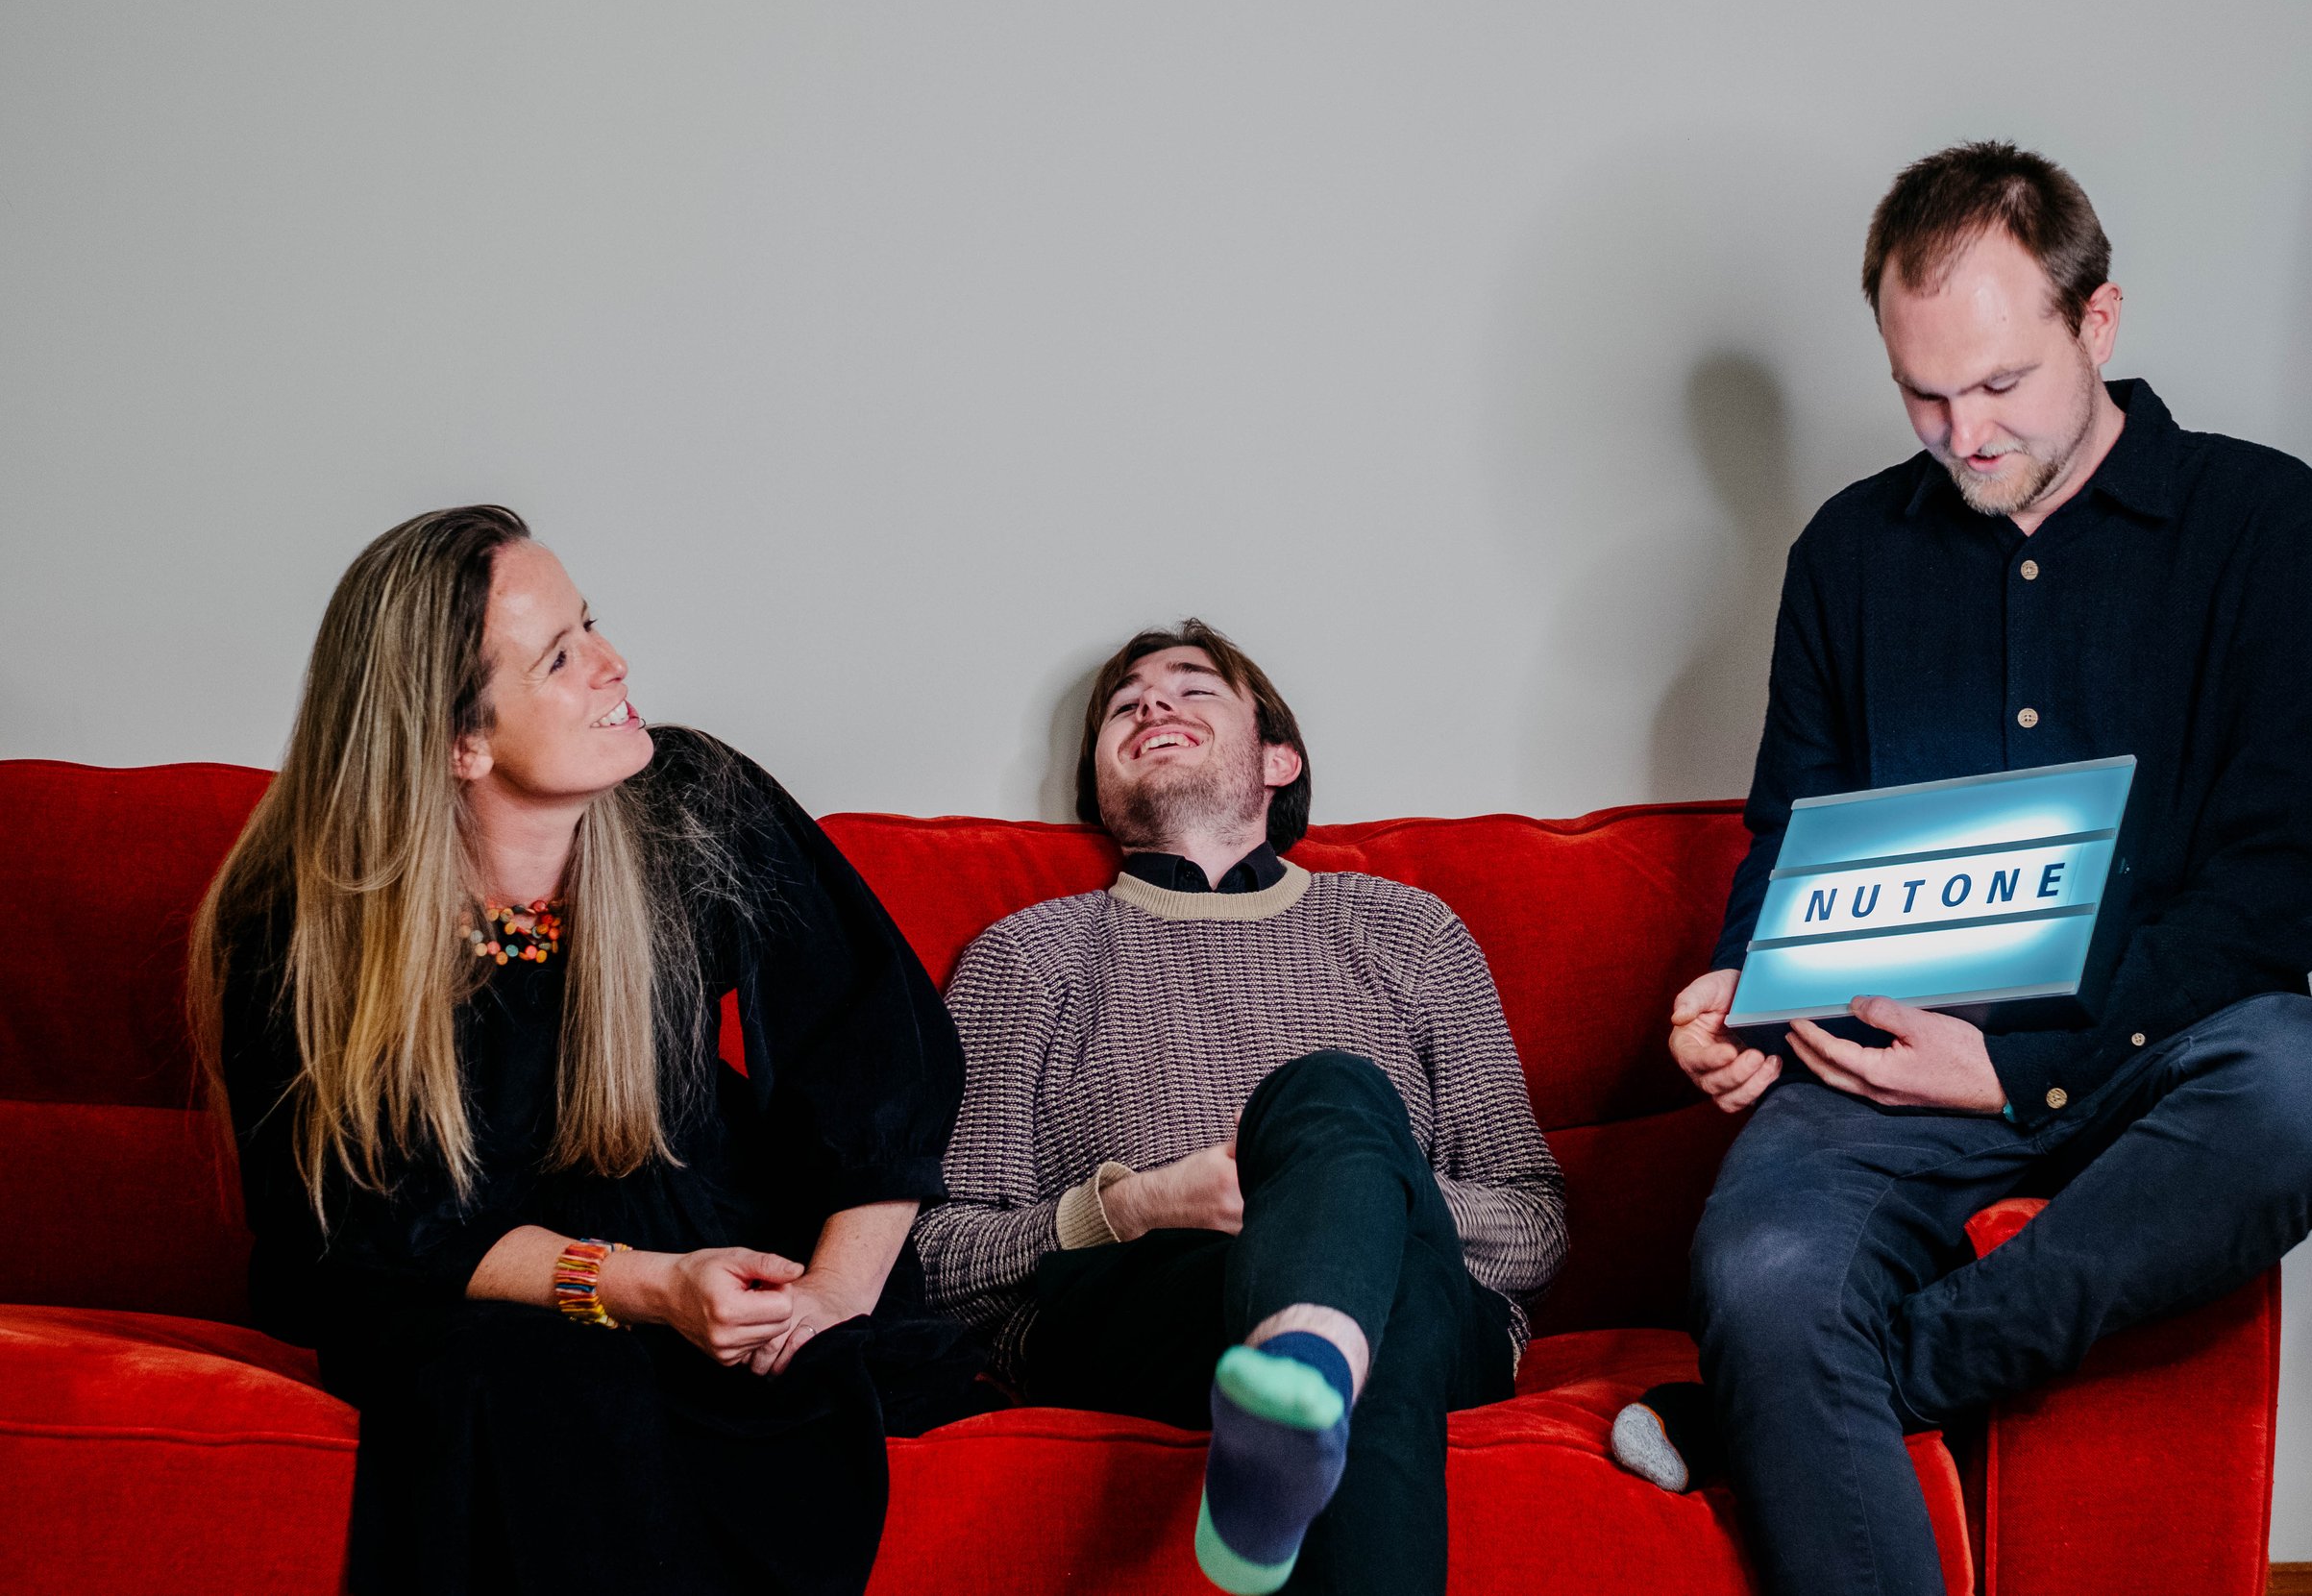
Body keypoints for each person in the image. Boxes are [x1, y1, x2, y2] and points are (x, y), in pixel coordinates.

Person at [1619, 142, 2312, 1595]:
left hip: (2162, 1056)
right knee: (1760, 1270)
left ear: (2097, 321)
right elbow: (1794, 829)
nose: (1962, 433)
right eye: (1921, 393)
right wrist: (1741, 989)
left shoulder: (2273, 528)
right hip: (1887, 1061)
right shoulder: (1847, 553)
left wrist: (2024, 1070)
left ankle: (1806, 1398)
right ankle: (1791, 1379)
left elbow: (2282, 894)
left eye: (1998, 384)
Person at [191, 505, 971, 1596]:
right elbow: (365, 1233)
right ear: (460, 742)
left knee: (808, 1399)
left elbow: (876, 1048)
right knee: (521, 1376)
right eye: (560, 657)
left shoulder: (691, 798)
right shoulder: (296, 922)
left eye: (591, 623)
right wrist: (647, 1287)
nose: (615, 663)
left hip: (714, 1250)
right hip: (475, 1297)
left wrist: (832, 1297)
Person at [911, 620, 1566, 1596]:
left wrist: (1342, 1194)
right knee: (1376, 1292)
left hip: (1423, 1295)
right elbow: (934, 1258)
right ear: (1098, 788)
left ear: (1277, 759)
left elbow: (1537, 1224)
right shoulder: (1027, 956)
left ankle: (1305, 1361)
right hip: (1151, 1301)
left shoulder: (1409, 930)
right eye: (1124, 703)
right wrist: (1137, 1204)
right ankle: (1312, 1360)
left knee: (1332, 1096)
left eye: (1192, 686)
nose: (1151, 702)